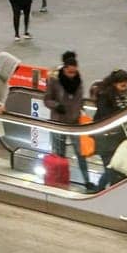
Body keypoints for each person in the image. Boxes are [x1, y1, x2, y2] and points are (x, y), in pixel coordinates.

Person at [43, 50, 87, 186]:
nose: (72, 75)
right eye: (70, 72)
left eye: (74, 72)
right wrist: (56, 106)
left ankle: (87, 181)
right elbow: (47, 100)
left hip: (75, 123)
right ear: (64, 69)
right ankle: (59, 181)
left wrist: (81, 110)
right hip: (59, 123)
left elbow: (80, 99)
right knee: (59, 155)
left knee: (81, 153)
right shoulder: (54, 80)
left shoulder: (78, 80)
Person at [91, 70, 127, 189]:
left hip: (117, 137)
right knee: (111, 167)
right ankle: (102, 189)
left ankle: (99, 189)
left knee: (114, 166)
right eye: (122, 85)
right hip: (104, 137)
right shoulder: (105, 96)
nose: (125, 88)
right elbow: (105, 116)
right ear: (114, 84)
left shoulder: (121, 95)